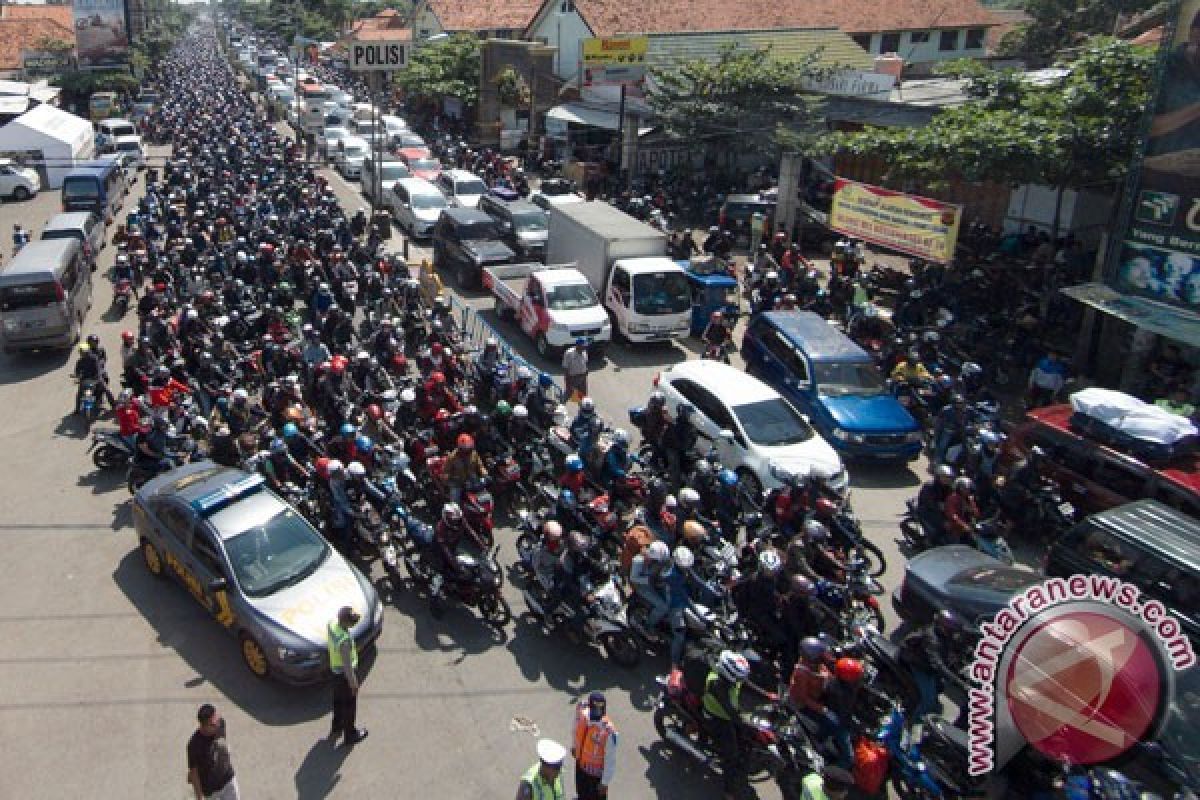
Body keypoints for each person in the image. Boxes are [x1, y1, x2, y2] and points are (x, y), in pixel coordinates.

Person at [702, 650, 755, 800]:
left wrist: (767, 695)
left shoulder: (729, 679)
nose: (740, 679)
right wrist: (747, 723)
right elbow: (731, 712)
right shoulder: (717, 685)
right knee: (731, 756)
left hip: (727, 714)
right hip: (717, 717)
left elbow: (747, 683)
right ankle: (729, 790)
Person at [327, 605, 368, 745]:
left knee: (337, 701)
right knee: (349, 705)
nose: (354, 623)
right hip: (344, 677)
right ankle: (350, 734)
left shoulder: (332, 624)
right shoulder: (344, 642)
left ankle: (336, 726)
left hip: (334, 672)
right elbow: (347, 666)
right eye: (352, 621)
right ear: (345, 622)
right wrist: (353, 683)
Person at [186, 704, 239, 800]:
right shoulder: (194, 745)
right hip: (210, 790)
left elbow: (222, 741)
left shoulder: (221, 723)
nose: (218, 724)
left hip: (228, 779)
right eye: (213, 724)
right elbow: (194, 773)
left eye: (217, 719)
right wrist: (199, 797)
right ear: (203, 726)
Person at [571, 691, 617, 800]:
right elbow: (575, 729)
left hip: (595, 776)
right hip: (581, 765)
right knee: (581, 791)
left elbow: (610, 759)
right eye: (595, 709)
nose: (598, 712)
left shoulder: (609, 731)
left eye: (601, 709)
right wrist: (574, 746)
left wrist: (604, 783)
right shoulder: (582, 712)